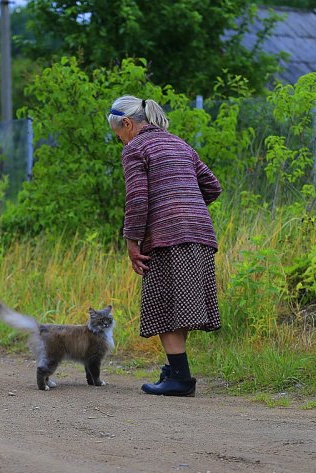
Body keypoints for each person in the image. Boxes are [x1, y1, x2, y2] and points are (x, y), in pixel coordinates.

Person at [108, 95, 222, 397]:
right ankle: (175, 371)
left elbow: (137, 200)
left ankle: (181, 380)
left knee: (164, 302)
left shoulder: (136, 148)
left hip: (167, 237)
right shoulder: (179, 143)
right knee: (179, 305)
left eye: (117, 133)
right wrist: (186, 205)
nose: (119, 141)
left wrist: (132, 242)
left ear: (128, 124)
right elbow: (212, 186)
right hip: (199, 232)